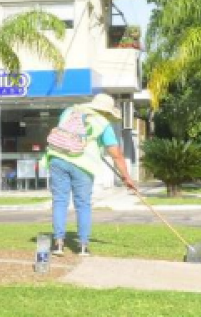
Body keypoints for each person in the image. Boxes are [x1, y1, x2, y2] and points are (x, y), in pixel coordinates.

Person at [42, 93, 136, 256]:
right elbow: (116, 154)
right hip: (83, 165)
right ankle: (83, 246)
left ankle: (58, 243)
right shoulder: (104, 123)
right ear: (107, 111)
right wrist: (127, 177)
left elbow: (64, 136)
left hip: (57, 158)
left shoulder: (70, 111)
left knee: (59, 201)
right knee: (83, 204)